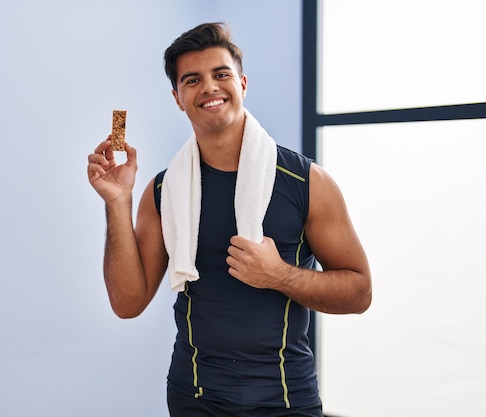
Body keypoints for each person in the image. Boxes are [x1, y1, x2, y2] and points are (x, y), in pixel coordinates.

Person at [87, 22, 371, 417]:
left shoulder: (307, 182)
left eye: (221, 74)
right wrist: (118, 202)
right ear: (177, 98)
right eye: (192, 80)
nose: (209, 87)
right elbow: (127, 303)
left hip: (285, 400)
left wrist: (279, 275)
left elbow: (360, 292)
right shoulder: (164, 191)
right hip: (193, 399)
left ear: (242, 83)